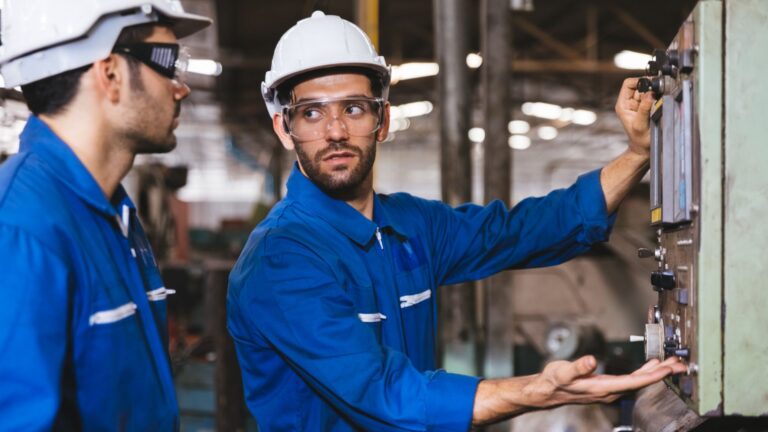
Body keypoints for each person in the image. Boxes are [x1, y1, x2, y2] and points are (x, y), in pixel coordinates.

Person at [227, 11, 687, 431]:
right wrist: (537, 391)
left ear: (382, 119)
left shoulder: (409, 225)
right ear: (283, 129)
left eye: (353, 108)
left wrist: (637, 155)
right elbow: (383, 394)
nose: (334, 131)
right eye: (311, 113)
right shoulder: (280, 259)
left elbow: (522, 231)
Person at [0, 1, 211, 429]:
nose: (181, 87)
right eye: (169, 63)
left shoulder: (115, 215)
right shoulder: (22, 229)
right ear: (110, 74)